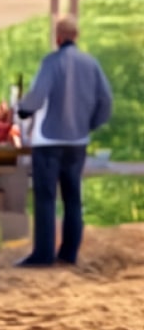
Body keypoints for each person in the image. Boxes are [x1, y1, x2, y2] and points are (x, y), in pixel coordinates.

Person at [16, 15, 114, 267]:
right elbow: (106, 101)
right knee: (73, 197)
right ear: (77, 36)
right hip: (77, 141)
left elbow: (37, 96)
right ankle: (69, 253)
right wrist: (89, 124)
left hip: (49, 140)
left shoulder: (52, 62)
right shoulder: (91, 64)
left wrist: (23, 110)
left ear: (57, 38)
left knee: (46, 197)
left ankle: (43, 255)